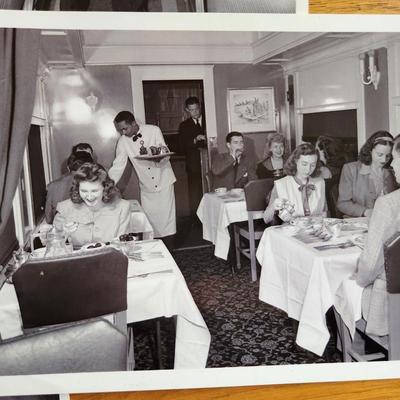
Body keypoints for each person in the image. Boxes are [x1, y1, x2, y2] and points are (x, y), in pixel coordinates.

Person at [354, 134, 400, 336]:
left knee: (343, 290)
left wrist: (360, 280)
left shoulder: (388, 204)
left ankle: (348, 348)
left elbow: (370, 265)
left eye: (395, 158)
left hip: (392, 303)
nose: (392, 164)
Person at [108, 111, 176, 238]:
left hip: (164, 181)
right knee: (150, 225)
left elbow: (164, 152)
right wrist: (107, 185)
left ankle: (170, 253)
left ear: (134, 123)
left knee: (168, 224)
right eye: (120, 130)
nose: (123, 132)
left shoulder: (154, 130)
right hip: (147, 187)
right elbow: (118, 166)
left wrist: (158, 158)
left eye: (125, 128)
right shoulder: (123, 141)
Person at [53, 162, 130, 247]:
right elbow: (53, 245)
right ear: (77, 189)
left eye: (94, 191)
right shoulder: (64, 208)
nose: (89, 197)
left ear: (105, 188)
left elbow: (123, 245)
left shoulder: (122, 207)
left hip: (110, 258)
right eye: (84, 191)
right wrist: (63, 234)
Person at [337, 130, 397, 218]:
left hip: (384, 223)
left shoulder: (393, 172)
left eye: (388, 155)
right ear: (369, 150)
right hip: (356, 223)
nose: (384, 160)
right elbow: (342, 203)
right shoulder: (350, 169)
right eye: (379, 154)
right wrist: (365, 212)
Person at [263, 143, 326, 224]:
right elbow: (266, 219)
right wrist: (273, 206)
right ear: (296, 161)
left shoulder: (320, 183)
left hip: (316, 229)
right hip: (290, 231)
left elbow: (324, 213)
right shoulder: (281, 184)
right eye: (304, 164)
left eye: (313, 165)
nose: (308, 169)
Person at [45, 151, 93, 224]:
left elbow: (49, 219)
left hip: (60, 229)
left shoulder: (52, 186)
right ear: (90, 167)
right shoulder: (92, 185)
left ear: (68, 167)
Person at [178, 96, 207, 214]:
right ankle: (196, 219)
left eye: (196, 109)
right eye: (191, 110)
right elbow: (181, 146)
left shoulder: (208, 121)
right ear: (187, 110)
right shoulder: (184, 126)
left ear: (199, 107)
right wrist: (195, 139)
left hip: (208, 163)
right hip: (193, 165)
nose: (195, 112)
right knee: (195, 193)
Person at [315, 135, 346, 217]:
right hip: (342, 211)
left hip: (329, 212)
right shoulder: (343, 166)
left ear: (324, 152)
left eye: (317, 150)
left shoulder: (325, 171)